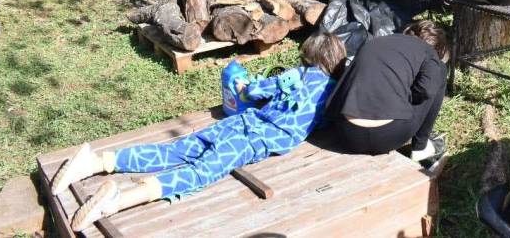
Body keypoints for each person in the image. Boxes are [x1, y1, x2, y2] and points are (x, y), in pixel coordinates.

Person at [52, 33, 347, 231]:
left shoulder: (294, 75)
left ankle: (96, 162)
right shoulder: (333, 94)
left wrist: (245, 86)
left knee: (176, 150)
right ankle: (118, 200)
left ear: (308, 55)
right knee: (200, 173)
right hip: (253, 142)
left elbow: (253, 91)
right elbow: (320, 122)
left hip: (238, 124)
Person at [329, 20, 448, 164]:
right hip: (387, 136)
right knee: (440, 71)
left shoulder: (376, 41)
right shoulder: (428, 52)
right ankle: (420, 148)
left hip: (345, 132)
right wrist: (409, 100)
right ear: (437, 49)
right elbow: (426, 91)